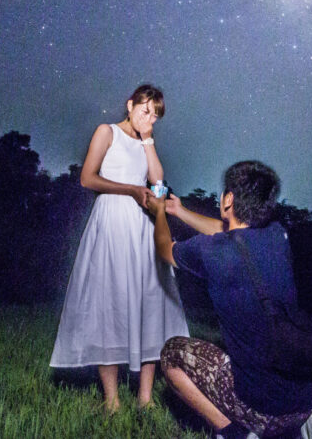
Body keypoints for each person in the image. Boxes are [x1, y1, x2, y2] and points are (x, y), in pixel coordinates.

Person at [146, 161, 312, 439]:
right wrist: (181, 211)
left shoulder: (210, 251)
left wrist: (160, 213)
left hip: (263, 409)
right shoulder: (278, 236)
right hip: (309, 396)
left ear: (228, 199)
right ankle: (309, 422)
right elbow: (229, 234)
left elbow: (164, 248)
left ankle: (236, 434)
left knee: (172, 353)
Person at [49, 84, 189, 412]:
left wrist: (148, 141)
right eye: (145, 110)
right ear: (130, 105)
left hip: (142, 227)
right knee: (108, 302)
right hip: (111, 221)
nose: (149, 118)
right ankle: (111, 401)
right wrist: (130, 190)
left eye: (155, 115)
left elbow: (157, 184)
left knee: (151, 302)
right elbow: (87, 178)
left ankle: (145, 398)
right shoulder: (106, 132)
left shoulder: (146, 142)